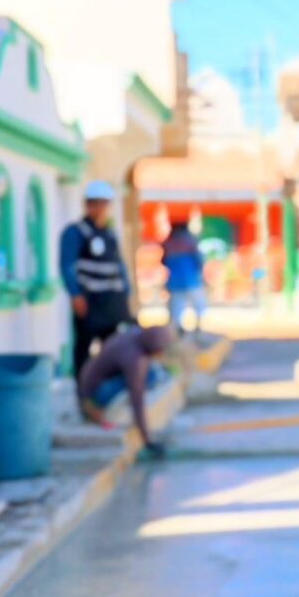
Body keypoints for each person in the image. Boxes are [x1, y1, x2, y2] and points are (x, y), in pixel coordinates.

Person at [60, 180, 133, 388]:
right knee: (84, 348)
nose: (100, 208)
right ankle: (83, 392)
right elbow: (67, 265)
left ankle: (109, 392)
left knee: (114, 348)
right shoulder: (75, 232)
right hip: (89, 302)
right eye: (95, 203)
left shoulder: (109, 233)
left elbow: (119, 265)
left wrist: (126, 293)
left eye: (104, 203)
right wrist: (75, 294)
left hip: (111, 302)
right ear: (87, 204)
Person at [77, 324, 174, 457]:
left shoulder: (133, 335)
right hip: (95, 394)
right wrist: (147, 441)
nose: (161, 354)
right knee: (151, 376)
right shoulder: (134, 358)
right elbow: (137, 400)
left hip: (88, 384)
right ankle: (100, 412)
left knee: (154, 372)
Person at [161, 222, 208, 335]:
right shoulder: (191, 242)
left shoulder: (169, 244)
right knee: (199, 306)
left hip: (175, 283)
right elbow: (199, 262)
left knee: (176, 308)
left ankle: (178, 330)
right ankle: (197, 328)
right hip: (192, 281)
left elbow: (164, 262)